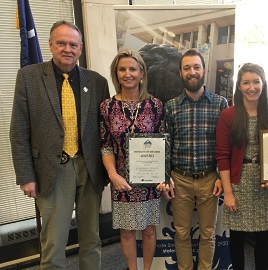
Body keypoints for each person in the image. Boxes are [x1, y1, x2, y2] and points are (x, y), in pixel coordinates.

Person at [9, 20, 110, 269]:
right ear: (51, 45)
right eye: (62, 43)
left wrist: (110, 171)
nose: (67, 49)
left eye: (73, 44)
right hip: (51, 170)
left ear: (81, 48)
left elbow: (106, 130)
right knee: (54, 241)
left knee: (91, 238)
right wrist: (26, 176)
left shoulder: (97, 82)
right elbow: (19, 131)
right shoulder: (29, 77)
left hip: (90, 167)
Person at [100, 49, 171, 270]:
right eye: (122, 69)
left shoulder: (156, 106)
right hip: (121, 181)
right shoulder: (107, 107)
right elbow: (105, 145)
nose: (127, 74)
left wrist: (163, 176)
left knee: (149, 229)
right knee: (126, 231)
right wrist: (113, 176)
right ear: (116, 73)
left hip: (150, 181)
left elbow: (163, 145)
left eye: (133, 69)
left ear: (142, 73)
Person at [164, 49, 228, 270]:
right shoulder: (171, 107)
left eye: (196, 67)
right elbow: (166, 146)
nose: (192, 72)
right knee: (181, 233)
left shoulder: (220, 104)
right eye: (187, 68)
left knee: (208, 233)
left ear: (204, 70)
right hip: (179, 180)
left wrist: (221, 176)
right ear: (180, 73)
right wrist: (166, 177)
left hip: (210, 179)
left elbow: (224, 146)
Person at [216, 63, 268, 270]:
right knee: (237, 237)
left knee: (265, 238)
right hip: (238, 182)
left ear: (263, 84)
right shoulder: (228, 115)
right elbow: (222, 155)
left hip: (266, 184)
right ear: (239, 86)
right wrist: (227, 192)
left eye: (256, 81)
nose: (251, 87)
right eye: (246, 82)